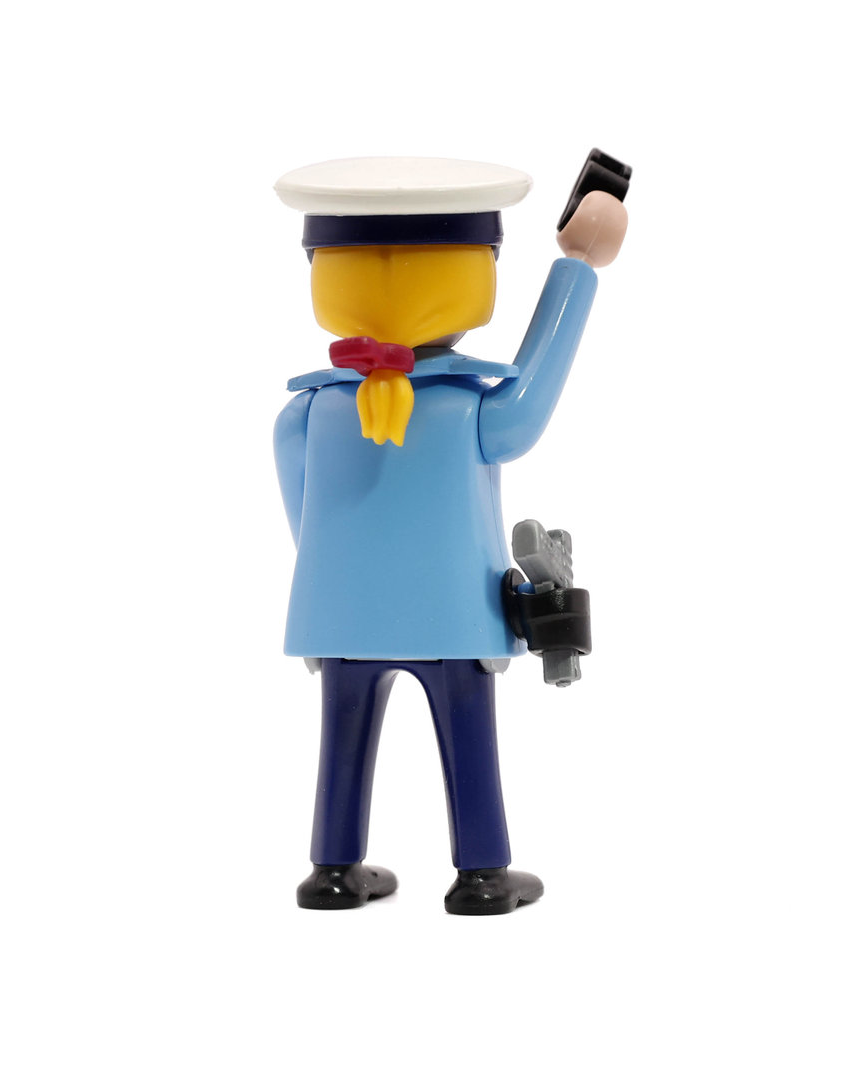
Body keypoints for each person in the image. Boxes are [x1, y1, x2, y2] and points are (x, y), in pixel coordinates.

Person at [273, 156, 628, 914]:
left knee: (342, 738)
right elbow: (532, 399)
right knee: (469, 737)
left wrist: (339, 586)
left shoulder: (306, 413)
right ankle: (482, 876)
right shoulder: (472, 411)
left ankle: (332, 870)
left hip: (343, 618)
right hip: (452, 616)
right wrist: (577, 267)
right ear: (479, 270)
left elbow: (302, 520)